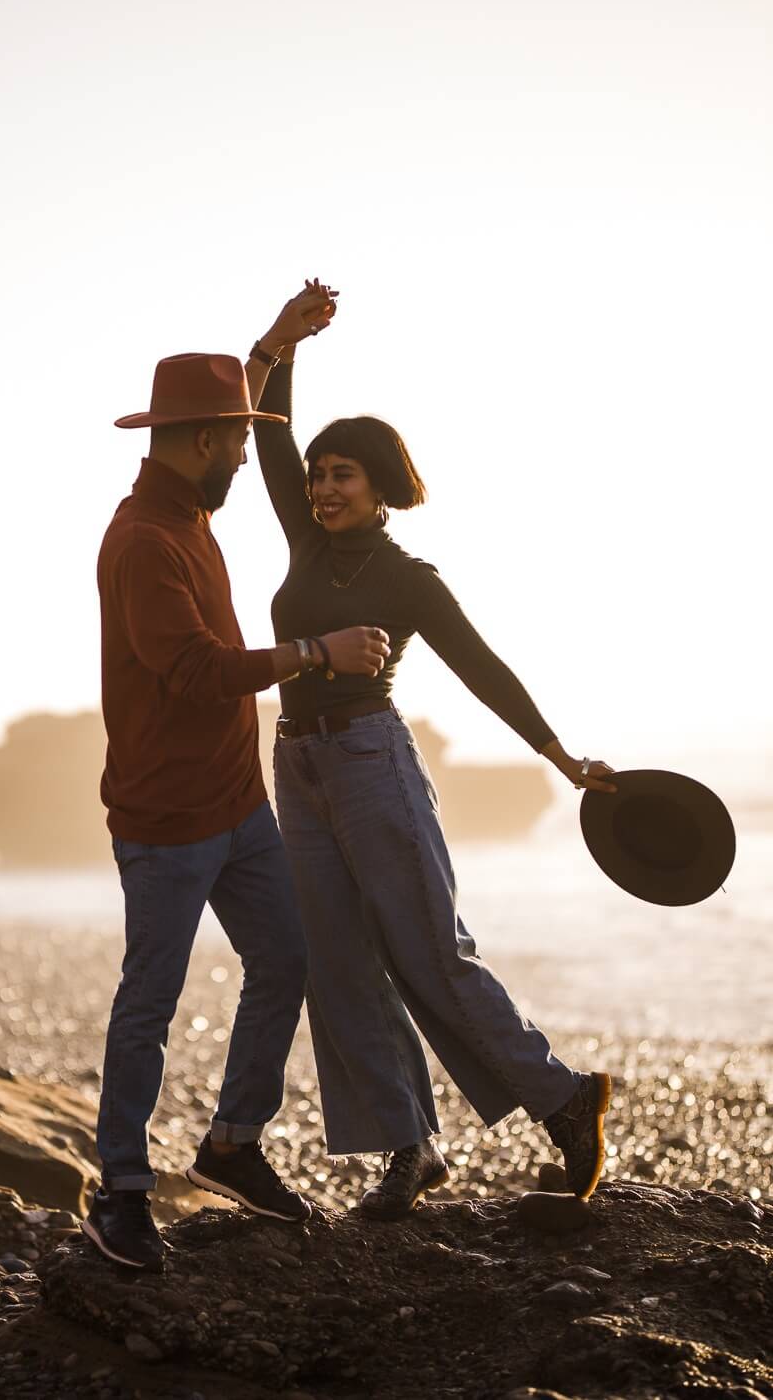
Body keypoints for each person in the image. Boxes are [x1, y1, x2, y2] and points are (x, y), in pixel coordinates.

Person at [252, 279, 618, 1219]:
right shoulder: (303, 541)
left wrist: (562, 757)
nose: (324, 486)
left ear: (381, 487)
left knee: (429, 951)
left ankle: (566, 1099)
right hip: (297, 764)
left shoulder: (409, 579)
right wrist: (283, 341)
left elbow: (483, 669)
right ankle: (410, 1150)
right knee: (337, 962)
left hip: (374, 763)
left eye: (344, 474)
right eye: (320, 472)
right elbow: (267, 430)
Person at [84, 287, 391, 1271]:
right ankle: (120, 1190)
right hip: (165, 818)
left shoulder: (190, 493)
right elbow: (195, 673)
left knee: (286, 958)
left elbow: (236, 399)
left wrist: (275, 344)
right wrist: (316, 652)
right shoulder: (142, 544)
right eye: (239, 440)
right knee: (150, 1000)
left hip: (236, 804)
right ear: (204, 444)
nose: (248, 455)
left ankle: (230, 1144)